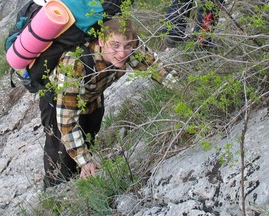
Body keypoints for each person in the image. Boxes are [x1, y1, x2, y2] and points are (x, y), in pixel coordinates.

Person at [39, 17, 177, 187]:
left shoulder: (130, 44)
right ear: (102, 41)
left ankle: (82, 185)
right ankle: (55, 196)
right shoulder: (75, 63)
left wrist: (187, 90)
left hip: (92, 97)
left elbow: (156, 69)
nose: (122, 53)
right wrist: (84, 161)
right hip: (59, 101)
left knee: (87, 142)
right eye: (115, 46)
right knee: (61, 159)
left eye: (128, 46)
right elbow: (67, 120)